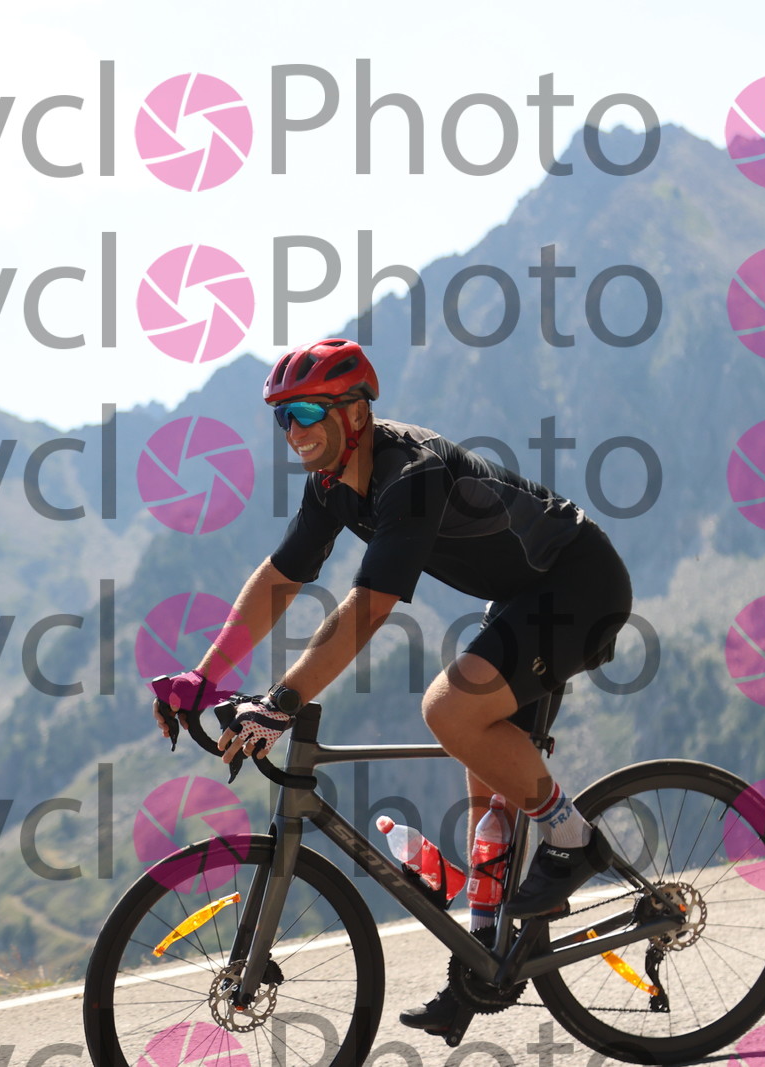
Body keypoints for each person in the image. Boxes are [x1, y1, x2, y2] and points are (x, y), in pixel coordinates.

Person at [150, 338, 633, 1035]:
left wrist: (282, 702)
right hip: (524, 599)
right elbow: (282, 576)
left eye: (307, 412)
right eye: (283, 417)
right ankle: (483, 970)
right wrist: (205, 675)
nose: (294, 430)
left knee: (450, 711)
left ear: (354, 412)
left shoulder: (413, 473)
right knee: (489, 801)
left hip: (579, 585)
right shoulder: (332, 484)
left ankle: (573, 839)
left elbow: (369, 607)